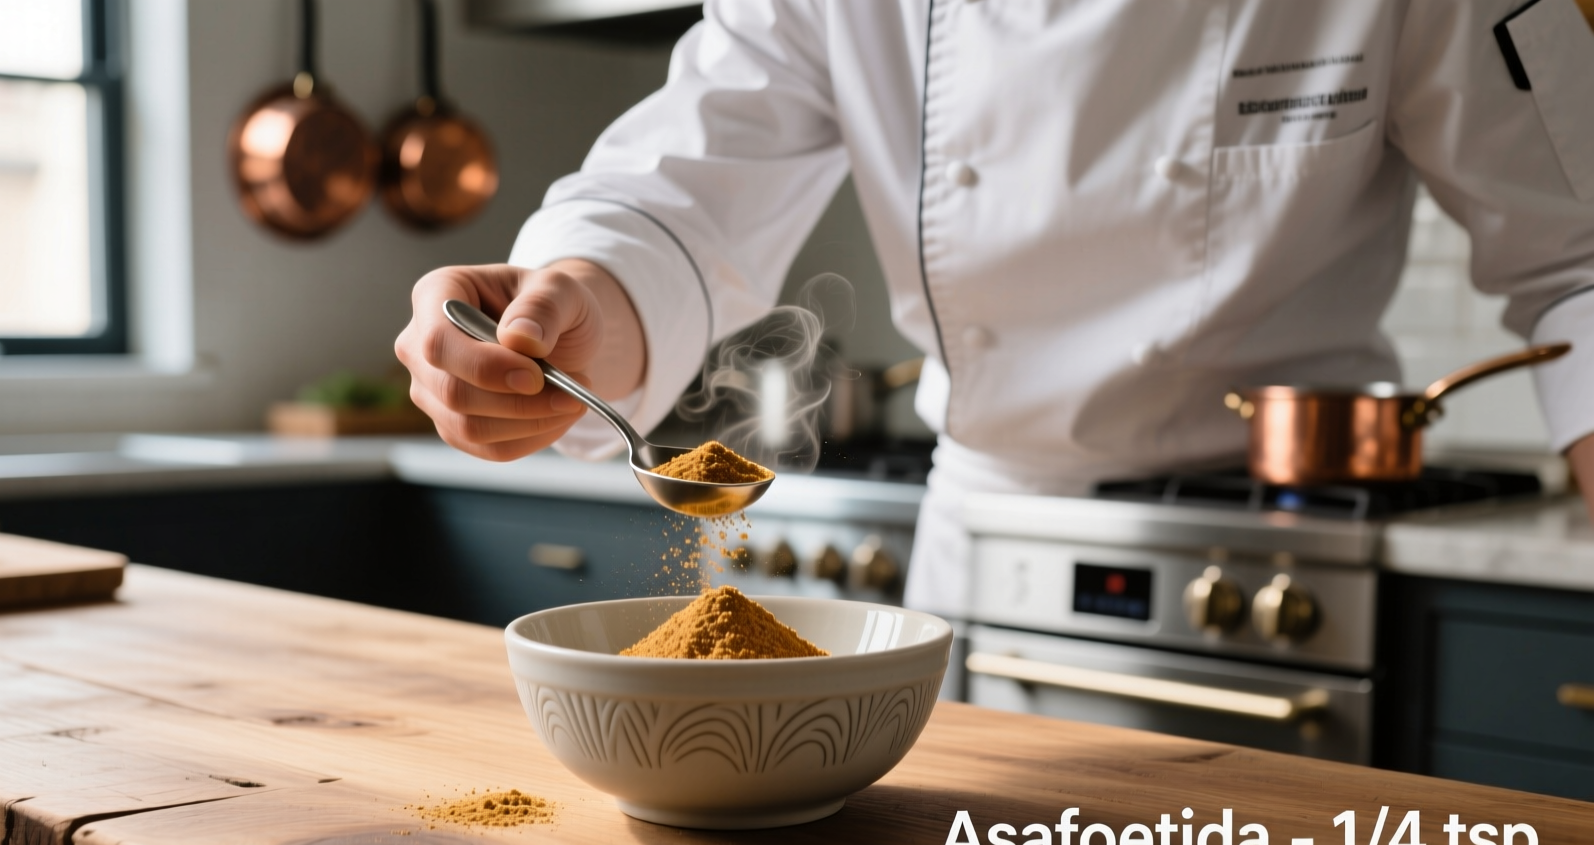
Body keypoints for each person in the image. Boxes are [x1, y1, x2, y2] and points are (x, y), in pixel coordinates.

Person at [397, 0, 1594, 619]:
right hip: (989, 548)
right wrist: (573, 306)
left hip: (1273, 551)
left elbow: (1578, 256)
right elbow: (679, 198)